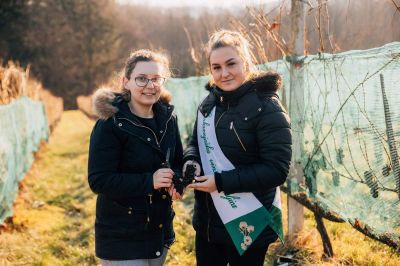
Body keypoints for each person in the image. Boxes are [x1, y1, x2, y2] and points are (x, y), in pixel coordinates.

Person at [183, 30, 292, 266]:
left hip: (249, 225)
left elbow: (276, 170)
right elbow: (195, 144)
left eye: (231, 64)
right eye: (216, 67)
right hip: (209, 224)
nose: (224, 73)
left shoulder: (267, 107)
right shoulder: (208, 104)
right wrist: (191, 161)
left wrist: (221, 182)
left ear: (246, 62)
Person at [88, 49, 183, 265]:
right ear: (126, 81)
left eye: (156, 79)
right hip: (122, 234)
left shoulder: (168, 118)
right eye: (141, 79)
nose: (150, 85)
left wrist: (177, 181)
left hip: (159, 228)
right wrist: (150, 181)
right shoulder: (110, 124)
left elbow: (176, 160)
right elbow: (98, 180)